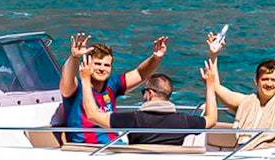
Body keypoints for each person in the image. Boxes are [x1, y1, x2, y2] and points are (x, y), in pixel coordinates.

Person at [78, 58, 220, 145]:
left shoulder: (133, 119)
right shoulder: (184, 121)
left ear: (150, 94)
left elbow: (92, 115)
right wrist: (210, 84)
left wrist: (85, 79)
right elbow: (212, 119)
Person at [58, 32, 168, 144]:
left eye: (106, 65)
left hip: (115, 145)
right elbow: (67, 75)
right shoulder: (75, 87)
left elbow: (140, 74)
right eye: (97, 64)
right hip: (87, 149)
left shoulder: (112, 85)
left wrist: (156, 57)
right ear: (87, 64)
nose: (102, 68)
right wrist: (74, 57)